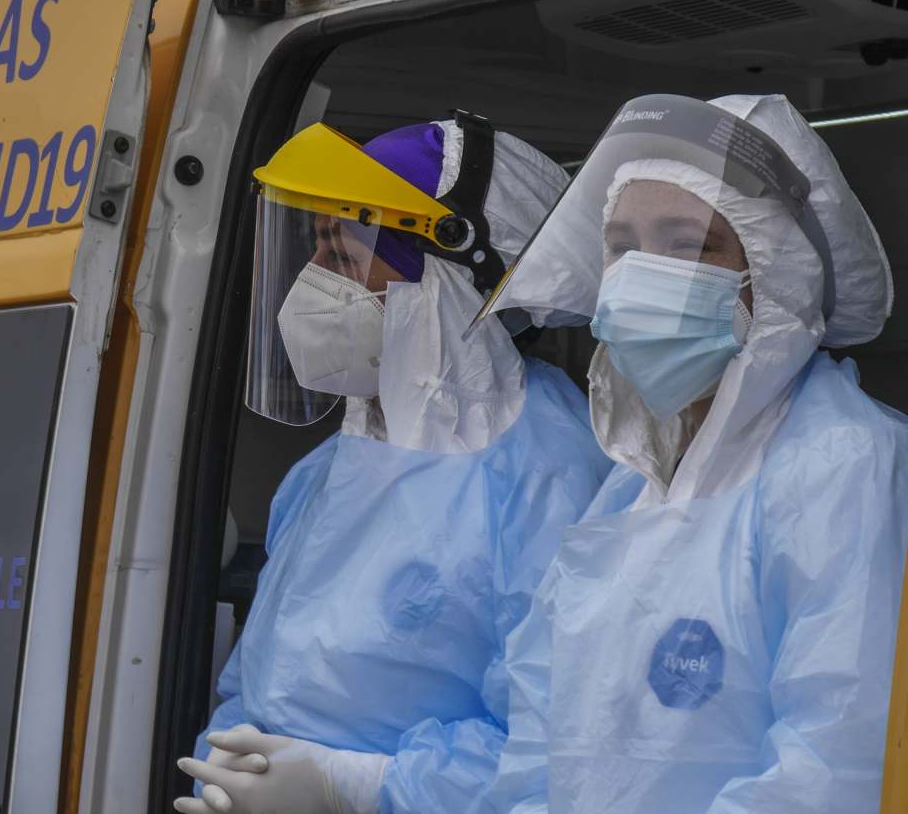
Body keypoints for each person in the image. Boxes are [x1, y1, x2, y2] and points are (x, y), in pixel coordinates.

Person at [478, 93, 908, 813]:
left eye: (687, 245)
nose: (642, 274)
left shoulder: (848, 465)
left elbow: (833, 768)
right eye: (622, 247)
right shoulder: (630, 487)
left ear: (774, 276)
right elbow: (538, 742)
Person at [173, 113, 612, 813]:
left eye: (343, 256)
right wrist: (227, 776)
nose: (313, 282)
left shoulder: (553, 480)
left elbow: (557, 749)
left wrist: (351, 787)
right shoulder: (325, 473)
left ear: (444, 279)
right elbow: (256, 689)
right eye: (317, 248)